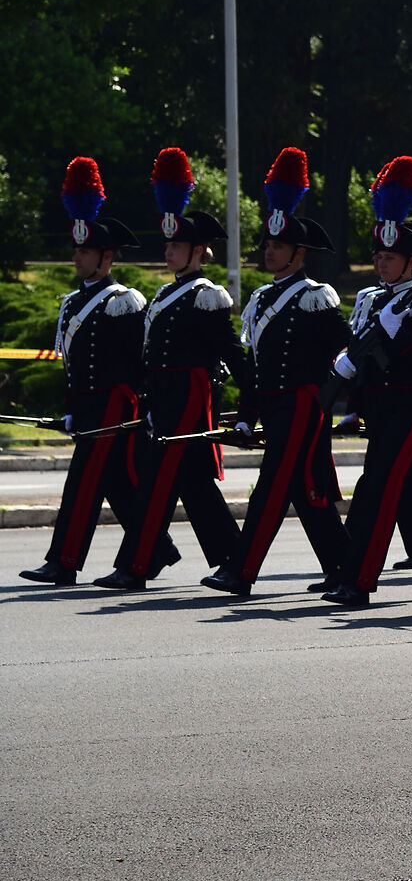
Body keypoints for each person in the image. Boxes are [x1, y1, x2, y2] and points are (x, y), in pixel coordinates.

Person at [95, 148, 245, 591]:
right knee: (193, 483)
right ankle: (235, 558)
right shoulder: (164, 294)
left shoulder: (206, 294)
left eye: (176, 245)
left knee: (162, 480)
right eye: (167, 245)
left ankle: (136, 566)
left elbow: (230, 351)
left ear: (197, 250)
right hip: (162, 397)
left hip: (189, 396)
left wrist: (251, 400)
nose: (168, 252)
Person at [202, 147, 349, 597]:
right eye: (267, 244)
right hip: (274, 403)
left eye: (278, 246)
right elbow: (254, 363)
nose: (269, 251)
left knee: (272, 487)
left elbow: (348, 352)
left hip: (305, 403)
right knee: (307, 488)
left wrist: (349, 402)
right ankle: (344, 564)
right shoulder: (262, 299)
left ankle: (241, 571)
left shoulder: (316, 296)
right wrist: (247, 412)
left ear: (298, 252)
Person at [321, 156, 412, 607]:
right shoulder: (369, 299)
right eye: (378, 256)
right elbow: (362, 354)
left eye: (390, 257)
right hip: (381, 407)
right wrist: (350, 384)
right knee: (405, 499)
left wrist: (400, 338)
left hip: (409, 405)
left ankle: (356, 580)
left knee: (375, 489)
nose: (381, 264)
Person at [21, 159, 149, 587]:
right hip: (89, 403)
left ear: (106, 257)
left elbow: (137, 362)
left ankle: (64, 562)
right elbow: (72, 366)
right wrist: (71, 407)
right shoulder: (72, 303)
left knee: (83, 482)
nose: (76, 257)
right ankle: (158, 546)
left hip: (114, 402)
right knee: (112, 481)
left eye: (84, 251)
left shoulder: (124, 301)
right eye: (76, 250)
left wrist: (138, 408)